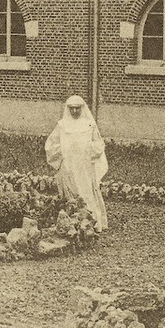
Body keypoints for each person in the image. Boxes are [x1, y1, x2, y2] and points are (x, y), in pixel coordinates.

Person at [45, 94, 108, 230]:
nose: (74, 111)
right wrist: (62, 151)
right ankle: (70, 222)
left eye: (77, 108)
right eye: (71, 108)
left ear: (82, 108)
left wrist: (87, 149)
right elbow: (51, 144)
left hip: (84, 166)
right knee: (70, 191)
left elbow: (99, 144)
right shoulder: (62, 125)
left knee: (86, 191)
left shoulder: (90, 125)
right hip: (68, 165)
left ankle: (92, 222)